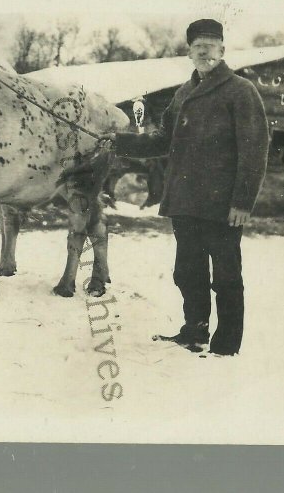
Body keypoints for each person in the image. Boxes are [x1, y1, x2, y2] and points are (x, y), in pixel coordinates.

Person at [73, 19, 270, 355]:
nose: (205, 52)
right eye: (198, 47)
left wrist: (242, 201)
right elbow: (162, 139)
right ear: (189, 52)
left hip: (223, 204)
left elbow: (255, 149)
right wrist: (119, 141)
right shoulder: (183, 93)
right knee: (187, 271)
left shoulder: (241, 90)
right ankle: (194, 332)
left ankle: (226, 344)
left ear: (222, 51)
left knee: (224, 274)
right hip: (186, 200)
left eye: (211, 46)